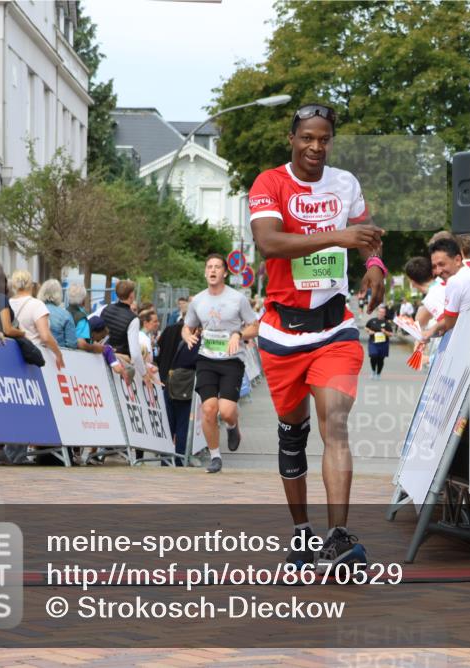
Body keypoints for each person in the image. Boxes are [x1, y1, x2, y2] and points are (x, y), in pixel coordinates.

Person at [248, 102, 385, 569]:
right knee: (293, 434)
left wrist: (374, 264)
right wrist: (337, 239)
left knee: (335, 424)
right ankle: (303, 533)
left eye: (324, 138)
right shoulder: (270, 183)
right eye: (307, 137)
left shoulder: (345, 183)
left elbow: (368, 234)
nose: (315, 146)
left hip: (335, 327)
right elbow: (269, 243)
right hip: (283, 333)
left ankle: (340, 537)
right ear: (292, 138)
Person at [181, 254, 259, 473]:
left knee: (225, 411)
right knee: (208, 409)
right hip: (206, 359)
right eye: (209, 267)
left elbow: (255, 326)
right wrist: (187, 335)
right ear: (205, 272)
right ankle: (215, 456)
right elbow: (187, 326)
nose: (213, 270)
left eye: (217, 267)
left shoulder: (237, 299)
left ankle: (233, 426)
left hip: (232, 360)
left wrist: (239, 334)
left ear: (225, 272)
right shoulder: (198, 301)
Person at [156, 313, 201, 467]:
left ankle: (166, 460)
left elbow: (158, 349)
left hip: (168, 383)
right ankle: (179, 460)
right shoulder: (195, 341)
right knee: (182, 425)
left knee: (168, 425)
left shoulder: (169, 330)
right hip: (184, 389)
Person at [8, 270, 65, 369]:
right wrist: (58, 353)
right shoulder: (37, 305)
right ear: (31, 285)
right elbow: (45, 336)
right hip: (34, 355)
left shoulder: (8, 303)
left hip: (13, 352)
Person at [422, 237, 470, 341]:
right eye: (434, 266)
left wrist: (433, 329)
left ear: (457, 260)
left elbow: (449, 323)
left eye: (441, 264)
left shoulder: (455, 281)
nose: (438, 271)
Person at [404, 256, 445, 330]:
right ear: (432, 272)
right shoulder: (446, 281)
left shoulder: (430, 299)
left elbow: (419, 323)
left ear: (412, 282)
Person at [100, 280, 137, 356]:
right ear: (131, 295)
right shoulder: (133, 319)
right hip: (120, 357)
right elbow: (135, 352)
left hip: (102, 353)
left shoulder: (106, 309)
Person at [38, 279, 78, 350]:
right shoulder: (66, 315)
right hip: (58, 356)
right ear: (59, 294)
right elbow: (72, 344)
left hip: (36, 354)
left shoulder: (35, 310)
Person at [365, 305, 394, 379]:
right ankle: (373, 371)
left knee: (380, 359)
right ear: (377, 312)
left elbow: (391, 334)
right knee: (373, 356)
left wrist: (385, 332)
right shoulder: (372, 321)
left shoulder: (387, 323)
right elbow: (366, 327)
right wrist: (369, 331)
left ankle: (378, 374)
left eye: (383, 312)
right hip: (373, 342)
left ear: (384, 314)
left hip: (383, 344)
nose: (381, 313)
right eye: (380, 312)